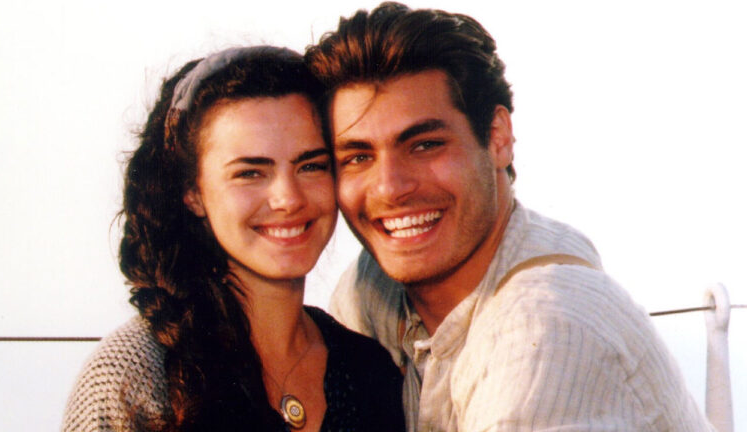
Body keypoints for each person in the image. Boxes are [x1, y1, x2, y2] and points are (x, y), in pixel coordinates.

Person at [306, 3, 714, 431]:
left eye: (425, 145)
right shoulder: (371, 288)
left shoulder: (545, 331)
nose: (390, 188)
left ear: (498, 137)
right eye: (357, 157)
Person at [62, 46, 405, 432]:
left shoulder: (370, 372)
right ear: (193, 191)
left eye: (311, 166)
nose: (288, 199)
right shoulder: (133, 375)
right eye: (250, 173)